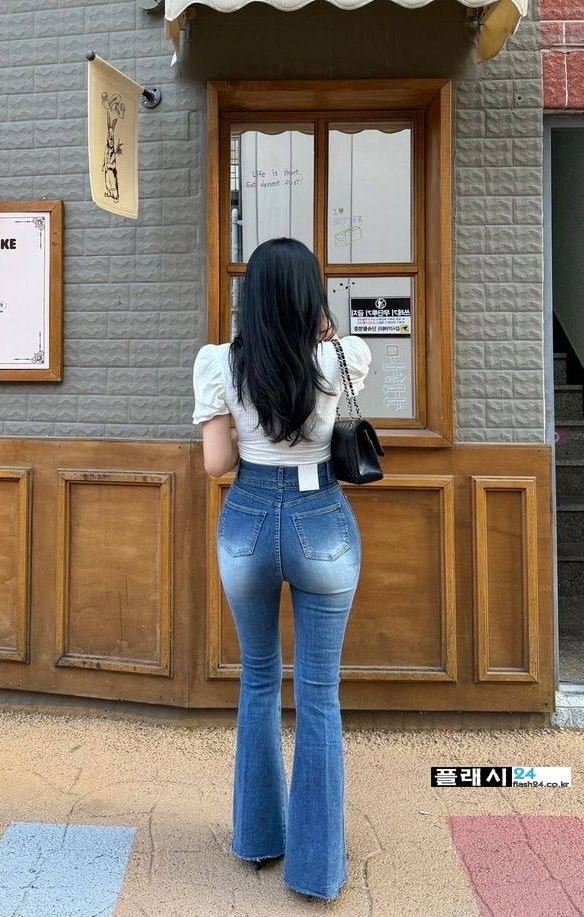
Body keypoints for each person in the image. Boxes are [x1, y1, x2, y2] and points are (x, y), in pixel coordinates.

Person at [191, 237, 372, 903]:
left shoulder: (219, 362)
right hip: (320, 518)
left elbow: (216, 464)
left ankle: (258, 838)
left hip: (246, 519)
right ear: (309, 296)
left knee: (258, 680)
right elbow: (332, 353)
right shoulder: (341, 356)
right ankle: (317, 870)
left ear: (251, 297)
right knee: (319, 694)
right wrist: (321, 325)